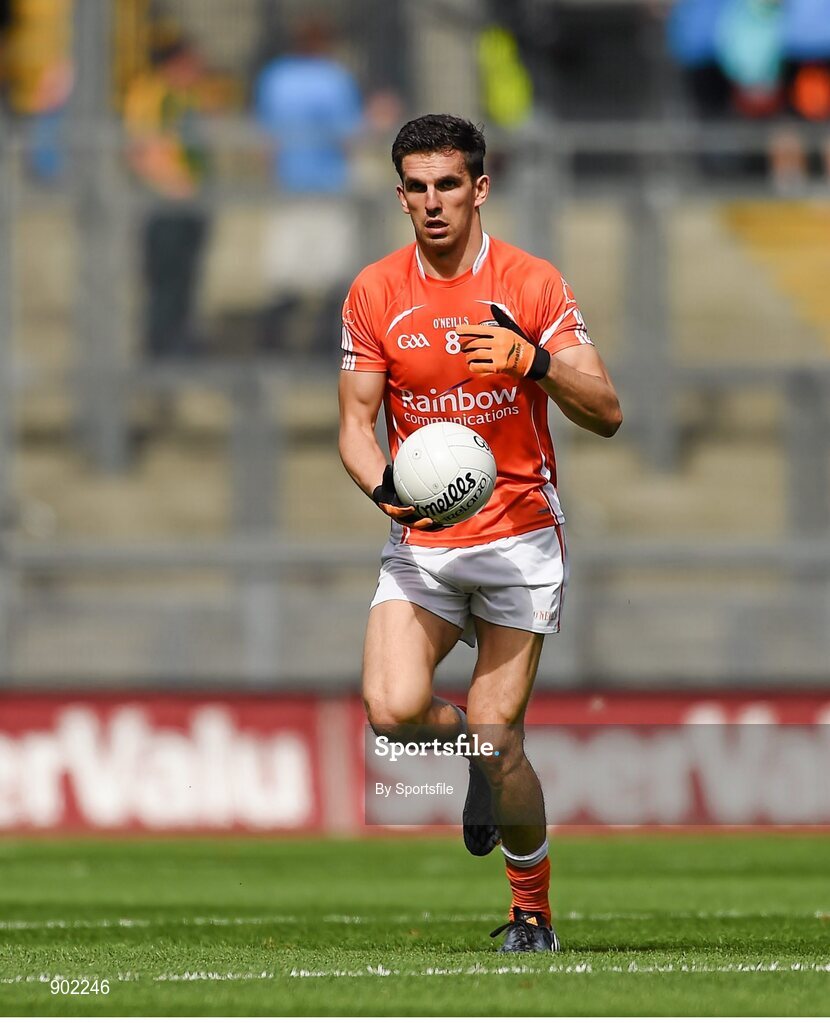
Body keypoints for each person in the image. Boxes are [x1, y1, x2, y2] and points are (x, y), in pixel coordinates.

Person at [338, 114, 622, 953]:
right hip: (424, 540)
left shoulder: (531, 284)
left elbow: (606, 411)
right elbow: (356, 424)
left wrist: (531, 360)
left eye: (449, 184)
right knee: (390, 709)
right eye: (417, 188)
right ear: (400, 195)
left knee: (503, 742)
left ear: (480, 188)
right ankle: (464, 749)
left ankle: (531, 911)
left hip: (518, 539)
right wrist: (382, 486)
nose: (433, 203)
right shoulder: (375, 292)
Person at [254, 16, 363, 355]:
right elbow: (349, 136)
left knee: (285, 270)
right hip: (329, 185)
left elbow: (265, 142)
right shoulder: (335, 78)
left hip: (289, 185)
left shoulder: (274, 77)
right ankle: (326, 346)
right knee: (333, 269)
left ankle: (275, 345)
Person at [124, 35, 210, 358]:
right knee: (165, 284)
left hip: (189, 205)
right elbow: (139, 149)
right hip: (165, 206)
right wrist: (172, 183)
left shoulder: (185, 96)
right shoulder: (152, 93)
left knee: (185, 281)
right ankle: (159, 353)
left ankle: (179, 345)